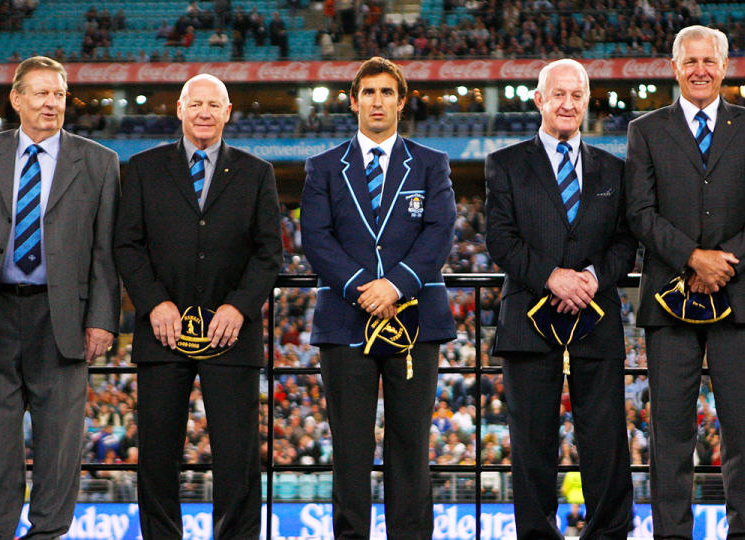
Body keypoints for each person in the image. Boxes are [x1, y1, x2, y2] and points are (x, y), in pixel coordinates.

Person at [625, 25, 745, 539]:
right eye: (689, 61)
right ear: (674, 67)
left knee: (742, 432)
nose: (699, 70)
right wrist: (693, 258)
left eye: (708, 61)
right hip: (669, 301)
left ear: (724, 66)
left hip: (739, 300)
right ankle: (671, 534)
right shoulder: (645, 129)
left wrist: (725, 261)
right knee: (670, 434)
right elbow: (639, 213)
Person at [114, 73, 282, 537]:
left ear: (228, 112)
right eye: (196, 103)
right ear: (180, 110)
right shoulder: (145, 168)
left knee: (238, 456)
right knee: (156, 453)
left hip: (231, 333)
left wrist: (238, 308)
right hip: (162, 332)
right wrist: (154, 304)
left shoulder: (256, 172)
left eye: (214, 104)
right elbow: (127, 245)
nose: (204, 112)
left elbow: (270, 254)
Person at [300, 56, 456, 539]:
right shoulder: (323, 167)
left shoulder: (431, 164)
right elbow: (315, 238)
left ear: (402, 102)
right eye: (368, 92)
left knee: (410, 445)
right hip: (347, 319)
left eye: (387, 92)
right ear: (353, 101)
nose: (377, 101)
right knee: (349, 447)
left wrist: (396, 285)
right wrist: (364, 290)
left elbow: (440, 232)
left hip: (415, 319)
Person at [485, 58, 636, 540]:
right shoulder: (504, 163)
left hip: (596, 315)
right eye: (558, 95)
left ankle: (610, 533)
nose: (567, 104)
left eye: (577, 95)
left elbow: (626, 242)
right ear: (539, 100)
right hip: (529, 318)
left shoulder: (615, 168)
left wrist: (589, 277)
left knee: (606, 439)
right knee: (531, 442)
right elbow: (499, 239)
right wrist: (552, 278)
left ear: (587, 101)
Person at [0, 56, 121, 537]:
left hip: (64, 317)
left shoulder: (99, 162)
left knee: (59, 442)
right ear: (16, 99)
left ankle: (49, 533)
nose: (52, 103)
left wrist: (102, 318)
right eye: (40, 93)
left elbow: (106, 251)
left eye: (58, 93)